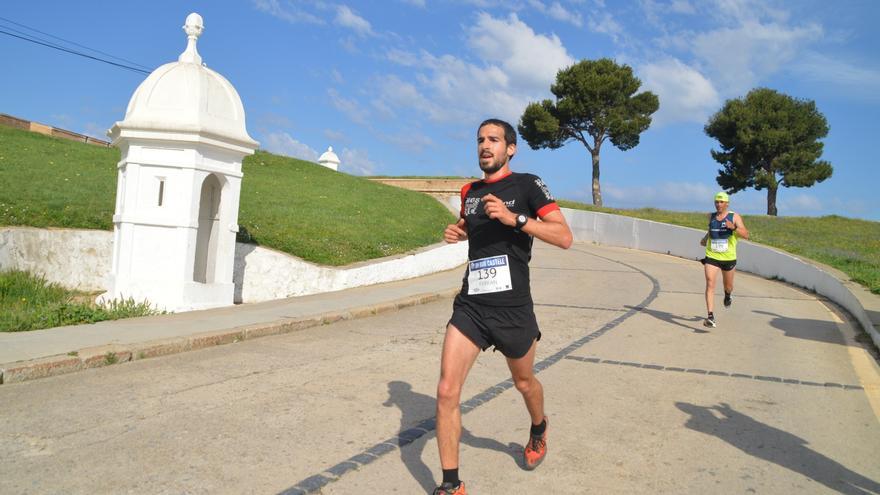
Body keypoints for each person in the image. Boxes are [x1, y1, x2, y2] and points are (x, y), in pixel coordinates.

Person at [433, 118, 573, 495]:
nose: (485, 145)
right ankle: (451, 484)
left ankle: (539, 428)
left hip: (513, 308)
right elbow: (471, 227)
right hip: (472, 306)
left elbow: (564, 236)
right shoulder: (470, 191)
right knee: (447, 390)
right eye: (480, 139)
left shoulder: (528, 184)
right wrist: (458, 231)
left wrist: (517, 219)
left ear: (510, 148)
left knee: (524, 382)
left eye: (493, 139)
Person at [699, 191, 749, 328]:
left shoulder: (734, 217)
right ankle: (710, 316)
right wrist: (705, 239)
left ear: (727, 203)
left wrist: (733, 228)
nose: (718, 204)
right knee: (710, 283)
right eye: (716, 202)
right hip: (712, 256)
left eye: (721, 202)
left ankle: (728, 295)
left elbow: (746, 234)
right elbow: (710, 230)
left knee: (728, 286)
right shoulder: (711, 216)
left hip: (728, 258)